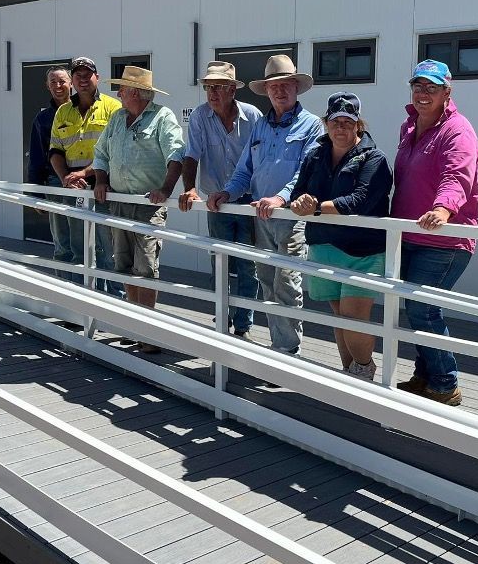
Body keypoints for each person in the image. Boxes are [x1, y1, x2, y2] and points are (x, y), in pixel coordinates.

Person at [207, 55, 324, 355]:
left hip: (290, 217)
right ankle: (278, 348)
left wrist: (281, 198)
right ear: (267, 91)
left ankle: (287, 352)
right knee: (268, 282)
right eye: (274, 86)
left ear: (297, 88)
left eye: (285, 85)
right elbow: (245, 170)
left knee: (287, 283)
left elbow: (306, 173)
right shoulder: (260, 126)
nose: (279, 91)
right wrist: (227, 193)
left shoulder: (312, 125)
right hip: (261, 217)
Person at [390, 59, 478, 406]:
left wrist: (443, 208)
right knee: (416, 309)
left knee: (422, 309)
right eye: (418, 86)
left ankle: (446, 383)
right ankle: (424, 376)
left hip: (445, 239)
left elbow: (458, 175)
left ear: (447, 92)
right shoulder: (408, 128)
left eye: (431, 87)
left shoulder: (458, 129)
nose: (423, 93)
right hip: (410, 235)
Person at [289, 92, 391, 380]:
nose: (341, 127)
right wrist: (300, 202)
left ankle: (364, 373)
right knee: (340, 316)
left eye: (348, 121)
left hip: (363, 251)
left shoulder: (375, 158)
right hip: (324, 244)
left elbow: (360, 200)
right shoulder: (316, 154)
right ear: (326, 123)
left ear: (359, 125)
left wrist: (316, 208)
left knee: (354, 317)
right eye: (335, 121)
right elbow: (299, 193)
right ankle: (349, 374)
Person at [91, 65, 185, 352]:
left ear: (138, 93)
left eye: (123, 89)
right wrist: (102, 181)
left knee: (145, 267)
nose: (118, 93)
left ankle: (149, 332)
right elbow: (101, 153)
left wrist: (166, 190)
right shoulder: (118, 118)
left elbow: (177, 154)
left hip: (147, 205)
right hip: (119, 202)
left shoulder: (162, 116)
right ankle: (134, 325)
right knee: (124, 265)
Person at [177, 61, 264, 340]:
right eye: (208, 87)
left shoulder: (253, 116)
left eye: (217, 87)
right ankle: (221, 321)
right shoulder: (201, 117)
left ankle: (243, 326)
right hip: (217, 202)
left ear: (231, 89)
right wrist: (190, 189)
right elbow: (191, 155)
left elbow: (261, 160)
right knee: (220, 262)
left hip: (249, 199)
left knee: (248, 265)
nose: (211, 92)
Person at [49, 56, 124, 297]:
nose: (82, 79)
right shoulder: (62, 111)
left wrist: (84, 173)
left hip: (103, 186)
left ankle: (113, 305)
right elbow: (55, 151)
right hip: (72, 188)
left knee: (108, 250)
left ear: (97, 77)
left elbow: (113, 151)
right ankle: (81, 305)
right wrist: (65, 178)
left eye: (87, 74)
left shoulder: (113, 108)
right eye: (77, 75)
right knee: (77, 248)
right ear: (72, 80)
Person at [26, 65, 72, 267]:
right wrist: (35, 194)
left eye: (62, 81)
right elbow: (36, 157)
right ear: (47, 86)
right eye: (53, 82)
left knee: (91, 244)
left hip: (85, 184)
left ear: (71, 83)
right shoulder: (43, 118)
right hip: (55, 184)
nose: (58, 85)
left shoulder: (85, 111)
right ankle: (64, 292)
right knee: (62, 243)